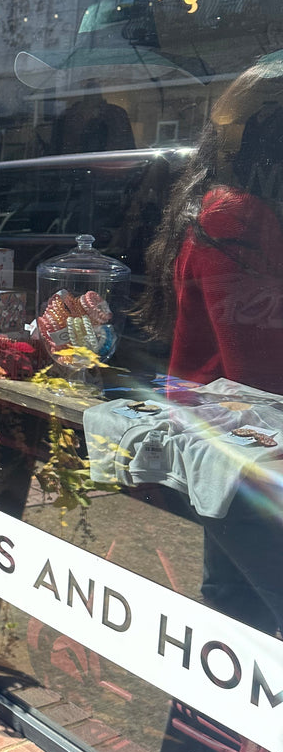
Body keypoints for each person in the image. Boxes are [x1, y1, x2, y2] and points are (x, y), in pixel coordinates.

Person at [138, 56, 283, 636]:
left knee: (233, 618)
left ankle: (205, 728)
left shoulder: (228, 209)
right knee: (240, 619)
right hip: (246, 458)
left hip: (233, 454)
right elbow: (259, 374)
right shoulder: (236, 216)